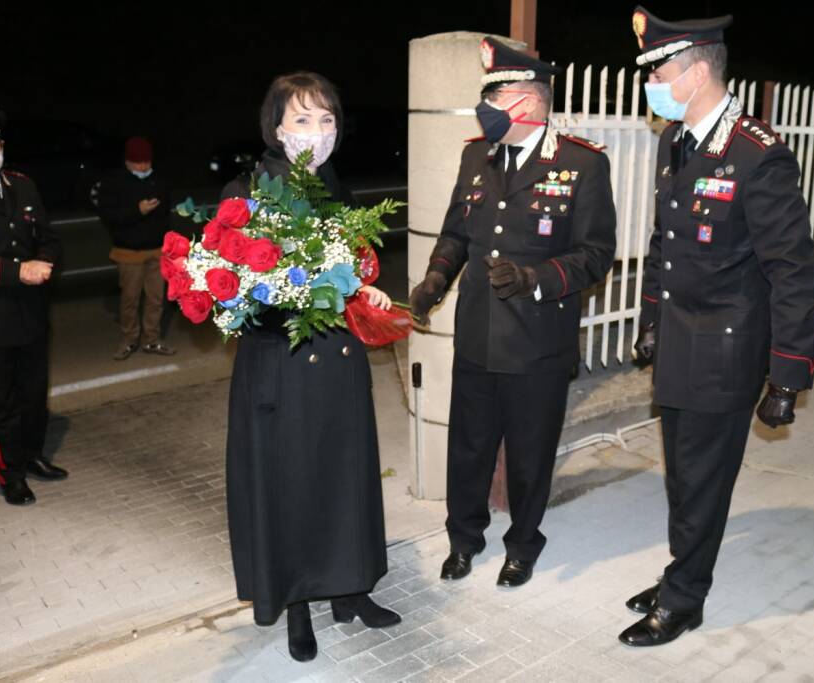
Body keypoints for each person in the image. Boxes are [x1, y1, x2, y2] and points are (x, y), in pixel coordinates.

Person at [619, 8, 814, 647]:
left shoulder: (757, 154)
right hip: (681, 339)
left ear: (698, 70)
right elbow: (665, 243)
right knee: (681, 472)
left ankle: (685, 599)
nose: (652, 83)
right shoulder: (676, 139)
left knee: (702, 478)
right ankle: (685, 568)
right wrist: (652, 318)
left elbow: (793, 270)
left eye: (659, 71)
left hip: (727, 351)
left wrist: (787, 375)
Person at [410, 38, 617, 589]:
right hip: (478, 333)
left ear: (527, 101)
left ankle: (523, 544)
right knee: (468, 447)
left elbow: (597, 254)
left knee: (529, 455)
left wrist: (537, 279)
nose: (486, 107)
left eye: (495, 96)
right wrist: (436, 277)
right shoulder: (475, 154)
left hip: (538, 343)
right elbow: (457, 230)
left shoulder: (581, 164)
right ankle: (463, 539)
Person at [219, 72, 400, 663]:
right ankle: (298, 603)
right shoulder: (246, 192)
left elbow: (347, 270)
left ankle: (350, 588)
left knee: (344, 477)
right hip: (284, 367)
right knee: (292, 485)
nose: (317, 134)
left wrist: (359, 293)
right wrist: (286, 295)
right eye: (303, 120)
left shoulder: (331, 186)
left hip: (337, 366)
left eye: (327, 121)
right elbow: (233, 298)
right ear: (275, 127)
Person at [0, 106, 68, 506]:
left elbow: (50, 237)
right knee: (2, 399)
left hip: (31, 311)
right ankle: (11, 474)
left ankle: (32, 455)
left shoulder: (22, 186)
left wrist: (46, 264)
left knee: (33, 391)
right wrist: (16, 271)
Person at [95, 136, 176, 360]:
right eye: (137, 162)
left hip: (156, 250)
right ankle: (129, 340)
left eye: (146, 162)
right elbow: (110, 216)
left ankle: (152, 339)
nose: (142, 167)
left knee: (156, 298)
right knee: (130, 299)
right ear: (128, 161)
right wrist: (137, 210)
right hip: (128, 251)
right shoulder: (114, 182)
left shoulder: (159, 179)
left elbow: (166, 212)